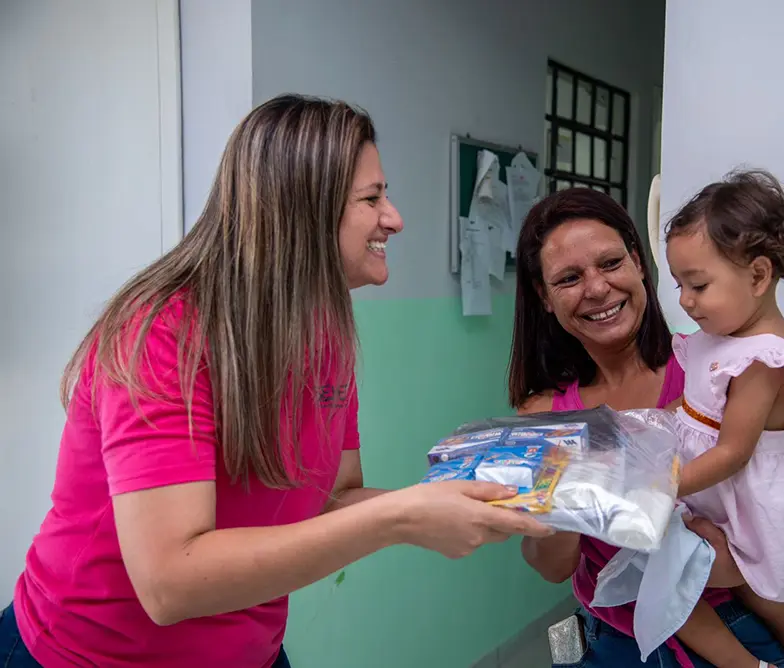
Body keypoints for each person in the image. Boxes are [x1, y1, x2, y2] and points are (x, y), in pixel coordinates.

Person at [0, 94, 551, 668]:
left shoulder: (326, 330)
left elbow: (333, 497)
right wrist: (403, 518)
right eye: (372, 197)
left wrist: (458, 497)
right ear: (302, 211)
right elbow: (169, 583)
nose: (395, 217)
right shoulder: (162, 332)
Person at [509, 187, 784, 667]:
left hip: (735, 630)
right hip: (613, 647)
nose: (597, 289)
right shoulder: (546, 418)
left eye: (611, 263)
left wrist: (729, 563)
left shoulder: (715, 370)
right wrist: (568, 493)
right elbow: (552, 567)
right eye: (570, 278)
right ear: (545, 297)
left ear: (639, 262)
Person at [662, 169, 784, 668]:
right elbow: (698, 407)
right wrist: (655, 423)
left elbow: (733, 451)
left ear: (759, 276)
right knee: (759, 596)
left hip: (749, 506)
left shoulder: (762, 358)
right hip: (719, 495)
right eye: (678, 284)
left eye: (697, 284)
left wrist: (661, 484)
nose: (684, 300)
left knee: (673, 578)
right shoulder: (724, 336)